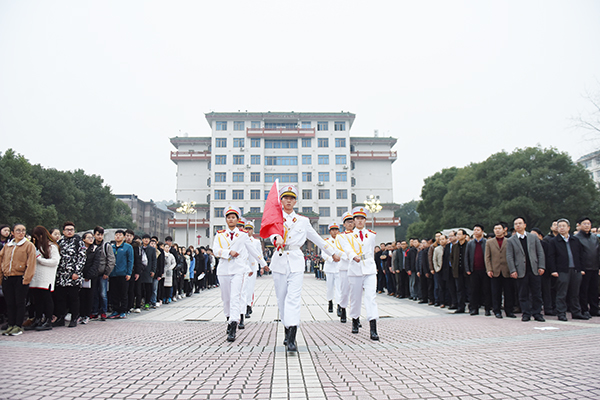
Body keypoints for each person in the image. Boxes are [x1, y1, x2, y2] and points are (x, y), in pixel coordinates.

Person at [270, 185, 339, 351]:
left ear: (295, 201)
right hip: (279, 260)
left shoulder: (303, 221)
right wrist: (276, 239)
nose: (288, 201)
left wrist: (332, 252)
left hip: (295, 260)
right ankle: (287, 329)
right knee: (281, 299)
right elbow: (271, 233)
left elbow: (317, 239)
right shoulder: (275, 218)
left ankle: (292, 336)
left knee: (293, 298)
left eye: (291, 198)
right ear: (281, 200)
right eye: (285, 198)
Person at [213, 206, 266, 342]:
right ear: (226, 220)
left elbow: (253, 250)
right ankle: (228, 318)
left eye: (233, 217)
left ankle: (233, 325)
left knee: (235, 296)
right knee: (226, 298)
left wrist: (263, 263)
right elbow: (215, 250)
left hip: (238, 269)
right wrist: (228, 252)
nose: (231, 220)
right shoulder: (219, 235)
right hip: (223, 269)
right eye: (229, 218)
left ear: (237, 220)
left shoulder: (243, 235)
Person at [338, 206, 379, 340]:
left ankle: (373, 327)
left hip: (369, 268)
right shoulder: (347, 236)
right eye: (357, 219)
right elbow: (347, 248)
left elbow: (371, 251)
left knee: (371, 297)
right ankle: (355, 319)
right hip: (355, 268)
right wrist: (352, 256)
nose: (360, 221)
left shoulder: (371, 234)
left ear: (365, 220)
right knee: (355, 298)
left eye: (362, 218)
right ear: (354, 221)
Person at [547, 218, 588, 321]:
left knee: (575, 293)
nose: (561, 228)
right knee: (562, 293)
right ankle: (561, 313)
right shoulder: (553, 241)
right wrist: (553, 270)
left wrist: (582, 269)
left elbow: (581, 255)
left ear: (568, 228)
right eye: (559, 226)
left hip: (576, 269)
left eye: (563, 226)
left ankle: (576, 312)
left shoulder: (575, 240)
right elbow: (551, 257)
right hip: (562, 270)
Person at [506, 217, 546, 322]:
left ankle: (537, 313)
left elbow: (540, 252)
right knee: (523, 293)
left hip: (534, 269)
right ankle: (526, 313)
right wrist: (512, 270)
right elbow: (509, 256)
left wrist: (541, 266)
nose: (518, 225)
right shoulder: (511, 240)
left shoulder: (533, 237)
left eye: (520, 223)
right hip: (520, 270)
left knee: (537, 293)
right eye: (516, 224)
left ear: (525, 225)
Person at [0, 224, 36, 336]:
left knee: (19, 303)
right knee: (9, 303)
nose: (21, 233)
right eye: (18, 230)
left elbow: (31, 263)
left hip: (20, 277)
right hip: (7, 277)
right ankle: (11, 324)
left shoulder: (28, 245)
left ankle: (18, 326)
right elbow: (1, 260)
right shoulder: (8, 246)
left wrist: (26, 278)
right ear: (13, 233)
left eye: (23, 230)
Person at [54, 221, 86, 328]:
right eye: (67, 230)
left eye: (71, 230)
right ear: (63, 231)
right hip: (61, 275)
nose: (69, 232)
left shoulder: (78, 242)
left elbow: (82, 258)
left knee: (73, 298)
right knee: (60, 298)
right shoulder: (60, 242)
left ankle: (74, 318)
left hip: (73, 275)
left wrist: (76, 272)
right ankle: (60, 318)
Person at [29, 226, 60, 331]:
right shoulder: (37, 246)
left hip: (46, 277)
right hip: (36, 277)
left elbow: (55, 261)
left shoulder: (52, 246)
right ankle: (38, 318)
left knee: (47, 299)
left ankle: (48, 320)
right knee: (37, 300)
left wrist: (40, 260)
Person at [485, 223, 516, 318]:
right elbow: (487, 257)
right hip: (495, 270)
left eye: (499, 228)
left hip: (507, 270)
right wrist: (489, 269)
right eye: (495, 229)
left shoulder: (509, 241)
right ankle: (497, 310)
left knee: (509, 292)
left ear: (504, 230)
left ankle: (509, 311)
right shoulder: (489, 242)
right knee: (496, 292)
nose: (497, 230)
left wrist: (513, 269)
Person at [575, 217, 599, 318]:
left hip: (594, 267)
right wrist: (579, 268)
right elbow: (576, 254)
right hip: (584, 268)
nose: (587, 226)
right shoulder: (576, 238)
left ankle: (594, 309)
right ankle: (584, 309)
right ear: (579, 225)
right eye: (584, 224)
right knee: (583, 290)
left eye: (588, 224)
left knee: (594, 290)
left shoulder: (594, 237)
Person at [465, 225, 491, 316]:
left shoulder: (487, 242)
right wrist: (467, 269)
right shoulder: (470, 243)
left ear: (482, 231)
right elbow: (466, 257)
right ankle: (474, 309)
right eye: (474, 230)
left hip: (485, 270)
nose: (476, 231)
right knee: (474, 291)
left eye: (478, 230)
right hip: (474, 270)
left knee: (486, 290)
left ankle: (487, 309)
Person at [91, 226, 115, 321]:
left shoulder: (106, 246)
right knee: (94, 294)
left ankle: (103, 312)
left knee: (103, 294)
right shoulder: (91, 246)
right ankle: (94, 312)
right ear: (94, 235)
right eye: (98, 234)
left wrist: (107, 272)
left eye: (101, 234)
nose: (100, 236)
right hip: (93, 274)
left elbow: (111, 260)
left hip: (103, 274)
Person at [108, 230, 133, 319]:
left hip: (123, 274)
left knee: (123, 293)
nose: (118, 236)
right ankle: (115, 310)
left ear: (124, 237)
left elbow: (130, 261)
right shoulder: (111, 247)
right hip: (113, 274)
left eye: (120, 235)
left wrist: (129, 273)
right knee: (114, 293)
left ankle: (123, 311)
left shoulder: (128, 247)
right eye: (116, 235)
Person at [335, 212, 354, 323]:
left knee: (355, 292)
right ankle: (343, 310)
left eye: (352, 222)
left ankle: (355, 316)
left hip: (356, 266)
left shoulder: (358, 235)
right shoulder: (340, 236)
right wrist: (348, 257)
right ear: (344, 224)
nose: (350, 224)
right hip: (345, 266)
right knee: (344, 290)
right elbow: (337, 250)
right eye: (348, 222)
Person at [244, 220, 262, 319]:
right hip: (243, 267)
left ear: (253, 230)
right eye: (246, 228)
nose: (248, 231)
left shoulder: (256, 242)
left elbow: (259, 254)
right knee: (243, 287)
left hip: (252, 266)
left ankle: (248, 306)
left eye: (250, 229)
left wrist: (261, 266)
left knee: (250, 287)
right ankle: (244, 306)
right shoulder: (241, 240)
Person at [323, 223, 342, 314]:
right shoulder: (326, 241)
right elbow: (323, 254)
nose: (335, 232)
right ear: (330, 232)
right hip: (330, 267)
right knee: (329, 287)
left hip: (339, 267)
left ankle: (339, 306)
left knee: (339, 288)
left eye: (336, 230)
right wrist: (332, 259)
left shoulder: (342, 241)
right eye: (333, 230)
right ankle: (330, 301)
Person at [450, 229, 469, 314]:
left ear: (465, 235)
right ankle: (461, 307)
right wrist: (454, 266)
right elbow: (451, 258)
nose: (458, 236)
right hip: (457, 271)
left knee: (469, 289)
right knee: (459, 290)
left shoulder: (468, 245)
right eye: (457, 234)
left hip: (467, 271)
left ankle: (472, 307)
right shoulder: (455, 246)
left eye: (460, 234)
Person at [140, 234, 157, 309]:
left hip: (148, 271)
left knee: (148, 288)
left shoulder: (152, 249)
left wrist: (153, 270)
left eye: (147, 239)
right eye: (144, 238)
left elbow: (154, 261)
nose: (146, 240)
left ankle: (147, 303)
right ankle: (140, 302)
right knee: (140, 288)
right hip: (140, 271)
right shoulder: (140, 248)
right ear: (142, 240)